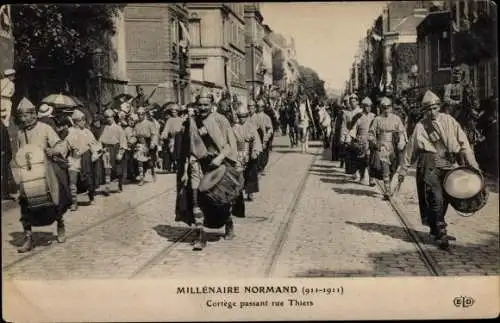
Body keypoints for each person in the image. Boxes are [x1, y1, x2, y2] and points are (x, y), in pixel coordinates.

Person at [397, 90, 480, 250]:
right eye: (428, 109)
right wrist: (403, 169)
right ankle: (441, 232)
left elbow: (464, 143)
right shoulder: (421, 126)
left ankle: (435, 228)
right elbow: (411, 148)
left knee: (447, 197)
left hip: (449, 163)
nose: (432, 112)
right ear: (424, 111)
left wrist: (473, 164)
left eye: (435, 108)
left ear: (439, 107)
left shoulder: (450, 120)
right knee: (436, 198)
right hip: (430, 164)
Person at [176, 89, 239, 250]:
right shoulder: (191, 122)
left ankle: (228, 222)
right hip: (197, 164)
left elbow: (230, 144)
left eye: (206, 104)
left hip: (218, 163)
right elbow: (188, 148)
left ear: (212, 104)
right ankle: (200, 235)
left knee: (221, 200)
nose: (203, 108)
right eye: (200, 105)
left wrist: (219, 158)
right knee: (196, 198)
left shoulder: (221, 120)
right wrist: (184, 170)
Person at [13, 98, 72, 253]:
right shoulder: (20, 133)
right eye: (21, 116)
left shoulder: (45, 128)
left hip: (46, 169)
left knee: (55, 198)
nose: (23, 119)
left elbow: (61, 144)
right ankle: (28, 237)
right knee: (25, 204)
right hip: (29, 173)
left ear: (33, 115)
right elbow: (19, 155)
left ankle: (60, 224)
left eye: (26, 116)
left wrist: (53, 150)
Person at [368, 97, 407, 199]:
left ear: (391, 107)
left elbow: (402, 132)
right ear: (381, 108)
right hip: (382, 146)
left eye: (388, 107)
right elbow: (371, 133)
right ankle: (387, 191)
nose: (386, 110)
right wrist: (376, 144)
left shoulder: (396, 119)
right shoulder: (377, 119)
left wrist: (402, 141)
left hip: (394, 145)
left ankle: (389, 183)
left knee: (394, 168)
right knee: (385, 168)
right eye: (384, 108)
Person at [64, 109, 99, 210]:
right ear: (76, 121)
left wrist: (94, 153)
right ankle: (74, 202)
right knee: (72, 181)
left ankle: (91, 197)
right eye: (82, 120)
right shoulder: (69, 131)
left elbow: (93, 143)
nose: (84, 122)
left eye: (84, 120)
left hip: (85, 158)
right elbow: (66, 144)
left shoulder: (87, 132)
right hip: (73, 159)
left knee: (88, 179)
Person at [233, 103, 262, 202]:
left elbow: (256, 140)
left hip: (249, 150)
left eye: (244, 116)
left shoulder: (251, 126)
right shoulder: (234, 127)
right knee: (238, 173)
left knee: (251, 172)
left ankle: (250, 192)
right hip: (238, 151)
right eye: (240, 117)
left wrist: (255, 150)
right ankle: (238, 193)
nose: (242, 119)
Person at [349, 97, 376, 186]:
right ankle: (362, 177)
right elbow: (353, 129)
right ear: (363, 106)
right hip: (361, 141)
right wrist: (353, 139)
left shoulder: (374, 116)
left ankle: (371, 179)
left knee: (370, 160)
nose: (368, 108)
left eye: (370, 106)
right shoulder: (358, 116)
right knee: (362, 160)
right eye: (366, 106)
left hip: (371, 141)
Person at [99, 109, 127, 194]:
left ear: (113, 117)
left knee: (118, 169)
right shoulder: (104, 128)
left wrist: (120, 153)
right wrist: (101, 148)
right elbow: (101, 140)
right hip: (107, 149)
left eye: (110, 117)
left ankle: (120, 185)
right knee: (107, 168)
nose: (108, 119)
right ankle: (107, 187)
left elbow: (123, 141)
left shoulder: (118, 128)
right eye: (107, 117)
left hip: (116, 148)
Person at [133, 106, 158, 185]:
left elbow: (154, 134)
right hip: (139, 144)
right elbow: (134, 134)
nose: (140, 116)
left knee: (149, 161)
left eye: (142, 114)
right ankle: (142, 178)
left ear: (144, 115)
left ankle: (153, 172)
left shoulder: (150, 124)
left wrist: (153, 143)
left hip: (147, 143)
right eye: (139, 114)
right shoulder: (136, 125)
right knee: (139, 161)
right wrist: (131, 140)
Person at [341, 94, 363, 175]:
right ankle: (354, 172)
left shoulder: (361, 112)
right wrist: (343, 136)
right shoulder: (347, 113)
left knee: (361, 155)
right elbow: (344, 125)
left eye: (354, 101)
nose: (352, 103)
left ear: (357, 102)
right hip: (350, 135)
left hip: (360, 135)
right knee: (351, 154)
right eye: (351, 102)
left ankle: (361, 173)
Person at [160, 103, 184, 173]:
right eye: (173, 112)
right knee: (171, 151)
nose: (174, 113)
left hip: (180, 137)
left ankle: (178, 166)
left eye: (175, 111)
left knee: (179, 152)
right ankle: (173, 165)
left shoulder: (181, 120)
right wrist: (163, 136)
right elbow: (166, 129)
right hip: (172, 137)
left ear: (178, 112)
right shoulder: (169, 120)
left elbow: (183, 129)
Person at [252, 99, 273, 173]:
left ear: (263, 107)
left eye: (261, 106)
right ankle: (257, 167)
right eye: (257, 106)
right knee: (257, 152)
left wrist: (268, 135)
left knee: (264, 153)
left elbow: (270, 128)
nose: (259, 108)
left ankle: (262, 167)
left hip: (264, 137)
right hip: (256, 137)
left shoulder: (266, 117)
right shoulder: (254, 116)